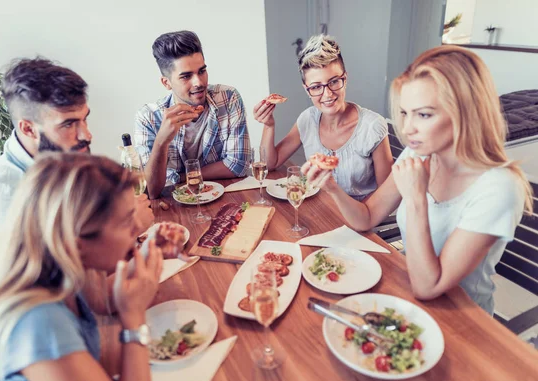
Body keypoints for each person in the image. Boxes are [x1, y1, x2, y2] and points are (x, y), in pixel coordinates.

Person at [303, 45, 533, 314]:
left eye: (423, 114)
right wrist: (331, 188)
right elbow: (366, 217)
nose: (407, 128)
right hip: (409, 298)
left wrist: (415, 199)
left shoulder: (498, 188)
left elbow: (428, 286)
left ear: (465, 112)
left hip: (463, 323)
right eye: (404, 113)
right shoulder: (418, 154)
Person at [0, 153, 162, 381]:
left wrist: (149, 255)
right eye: (127, 220)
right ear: (77, 244)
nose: (138, 227)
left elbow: (102, 300)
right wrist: (134, 317)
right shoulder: (38, 321)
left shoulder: (58, 268)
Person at [0, 57, 153, 297]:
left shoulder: (57, 164)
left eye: (85, 118)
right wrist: (130, 227)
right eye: (69, 124)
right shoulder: (0, 196)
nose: (87, 135)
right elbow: (42, 289)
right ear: (28, 129)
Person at [254, 35, 393, 200]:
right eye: (316, 87)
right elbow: (271, 164)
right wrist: (269, 125)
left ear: (345, 79)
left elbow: (386, 195)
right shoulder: (307, 119)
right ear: (307, 90)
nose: (327, 94)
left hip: (361, 217)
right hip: (318, 210)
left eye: (334, 82)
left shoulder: (372, 127)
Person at [134, 30, 251, 198]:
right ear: (166, 82)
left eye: (202, 71)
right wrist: (162, 141)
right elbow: (151, 191)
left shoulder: (228, 97)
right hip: (175, 209)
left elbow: (238, 165)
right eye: (186, 76)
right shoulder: (148, 118)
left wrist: (182, 177)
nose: (198, 82)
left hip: (225, 198)